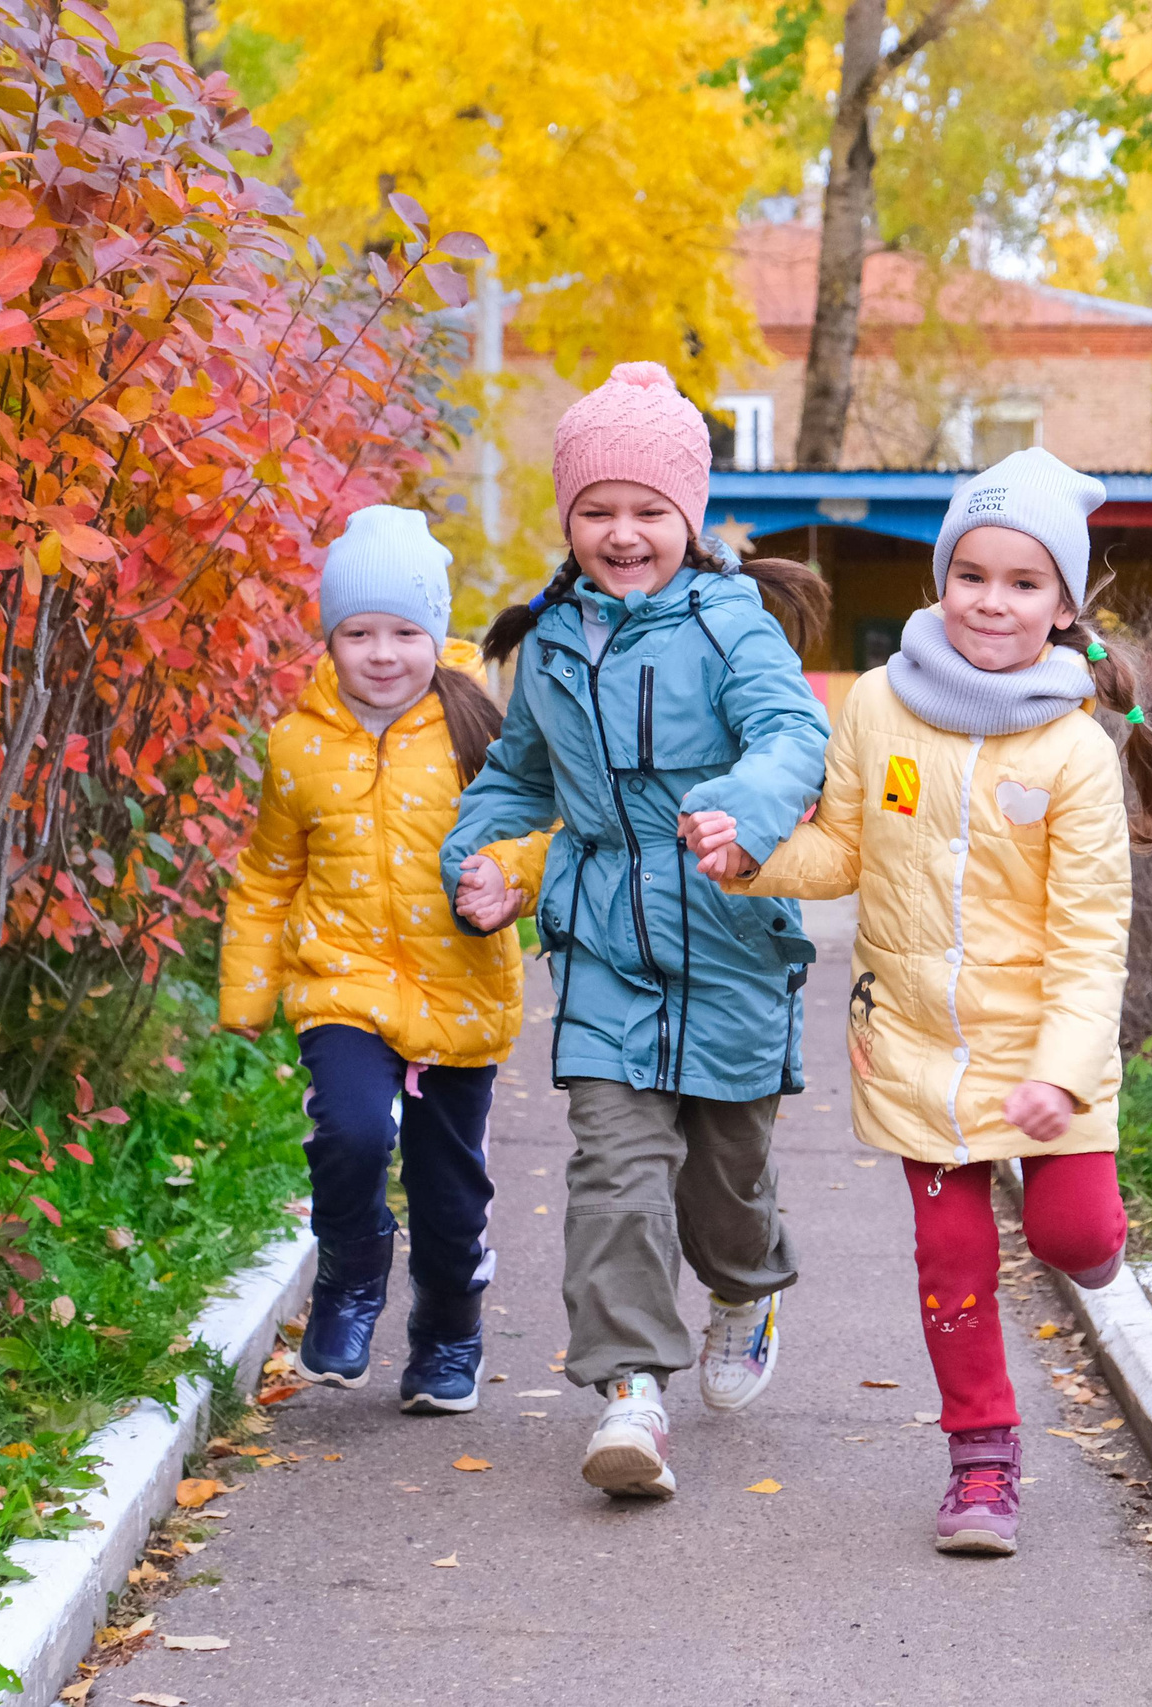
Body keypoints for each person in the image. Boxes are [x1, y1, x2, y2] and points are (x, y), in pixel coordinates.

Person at [685, 446, 1152, 1554]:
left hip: (1046, 1050)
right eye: (972, 574)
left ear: (1062, 607)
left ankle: (1095, 1239)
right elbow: (841, 850)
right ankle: (982, 1462)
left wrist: (1060, 1073)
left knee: (1071, 1232)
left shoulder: (1073, 752)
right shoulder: (878, 707)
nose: (991, 601)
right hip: (915, 1046)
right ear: (940, 578)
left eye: (1023, 582)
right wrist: (750, 853)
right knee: (952, 1263)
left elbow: (1092, 936)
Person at [442, 360, 832, 1500]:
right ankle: (629, 1394)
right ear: (569, 519)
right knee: (614, 1174)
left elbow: (791, 735)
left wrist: (746, 814)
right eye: (598, 510)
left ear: (689, 518)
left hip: (730, 943)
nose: (622, 533)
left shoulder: (732, 624)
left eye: (648, 510)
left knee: (725, 1190)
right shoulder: (553, 641)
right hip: (607, 950)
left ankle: (745, 1289)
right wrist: (482, 858)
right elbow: (518, 776)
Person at [219, 505, 548, 1415]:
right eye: (358, 632)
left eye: (404, 632)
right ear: (330, 638)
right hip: (343, 980)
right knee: (353, 1132)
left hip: (460, 987)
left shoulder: (482, 730)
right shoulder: (297, 743)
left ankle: (447, 1329)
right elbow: (268, 874)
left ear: (435, 634)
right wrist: (248, 991)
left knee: (451, 1199)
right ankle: (350, 1274)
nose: (381, 653)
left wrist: (512, 880)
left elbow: (541, 831)